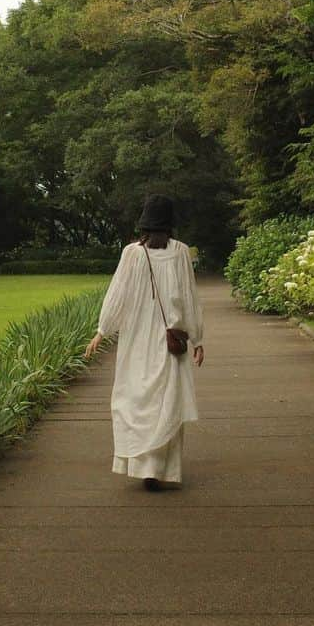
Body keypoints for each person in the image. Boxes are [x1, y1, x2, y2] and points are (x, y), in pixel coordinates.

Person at [85, 194, 204, 490]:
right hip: (164, 339)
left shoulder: (137, 253)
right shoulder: (176, 252)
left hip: (143, 340)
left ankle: (146, 466)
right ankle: (157, 467)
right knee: (161, 399)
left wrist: (103, 330)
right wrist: (197, 337)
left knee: (138, 398)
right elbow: (188, 297)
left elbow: (119, 293)